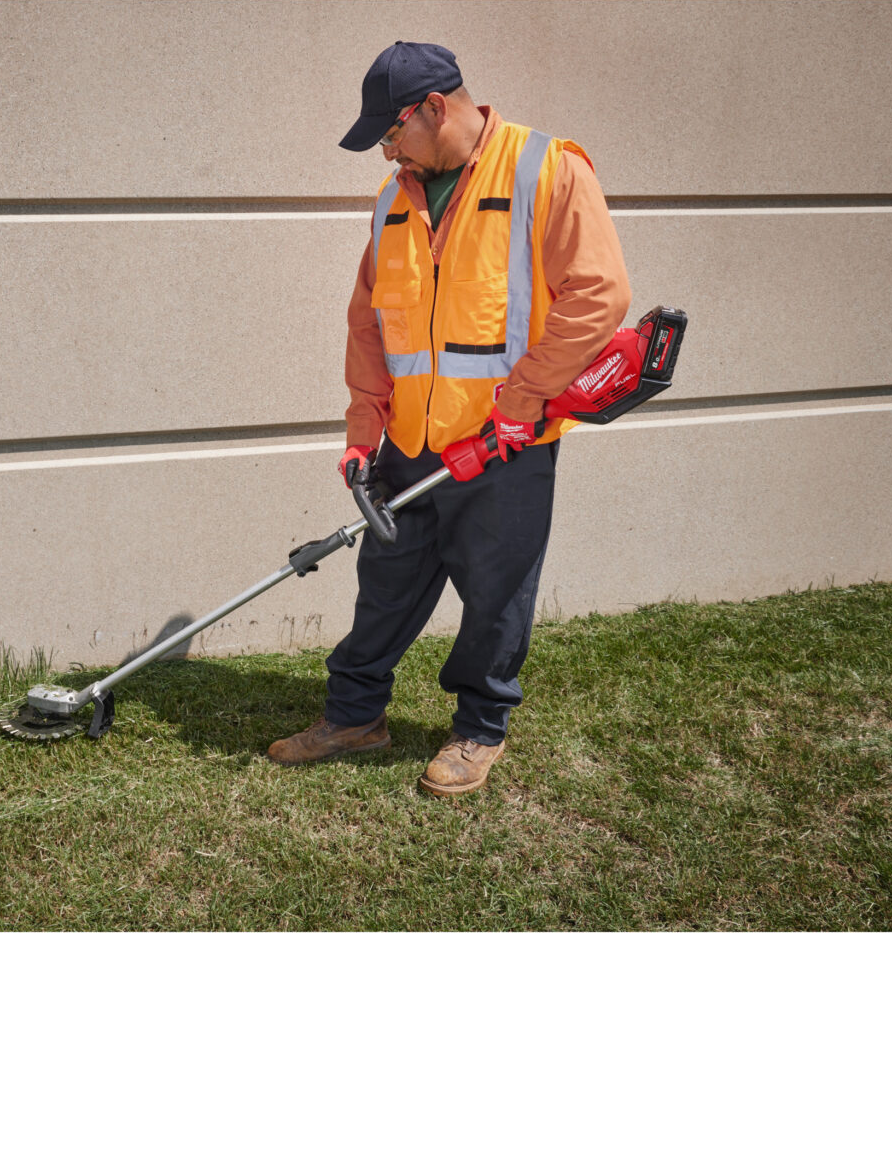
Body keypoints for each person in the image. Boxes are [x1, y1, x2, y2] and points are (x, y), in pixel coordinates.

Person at [267, 41, 632, 795]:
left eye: (390, 132)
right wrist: (363, 432)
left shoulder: (546, 169)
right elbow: (370, 323)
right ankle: (355, 716)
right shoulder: (393, 199)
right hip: (410, 442)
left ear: (434, 108)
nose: (386, 150)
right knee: (384, 586)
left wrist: (522, 400)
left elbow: (599, 294)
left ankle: (479, 729)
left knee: (497, 597)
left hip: (504, 446)